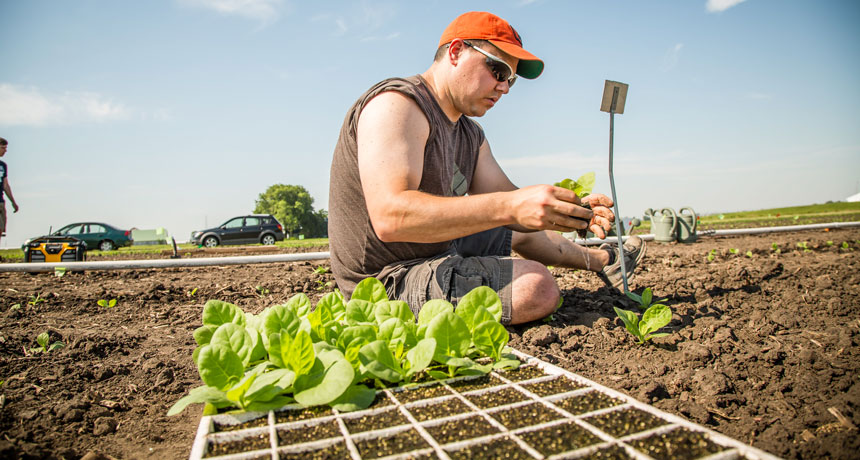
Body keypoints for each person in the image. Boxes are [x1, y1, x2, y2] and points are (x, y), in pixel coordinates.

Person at [328, 11, 645, 325]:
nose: (504, 87)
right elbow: (390, 216)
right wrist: (512, 207)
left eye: (511, 79)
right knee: (537, 286)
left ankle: (605, 261)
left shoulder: (470, 134)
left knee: (513, 228)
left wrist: (568, 209)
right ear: (456, 52)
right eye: (497, 69)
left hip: (436, 251)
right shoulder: (397, 105)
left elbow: (510, 205)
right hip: (384, 283)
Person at [0, 137, 20, 248]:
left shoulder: (3, 166)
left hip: (0, 201)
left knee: (1, 229)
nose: (5, 150)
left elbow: (5, 185)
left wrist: (13, 202)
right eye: (3, 148)